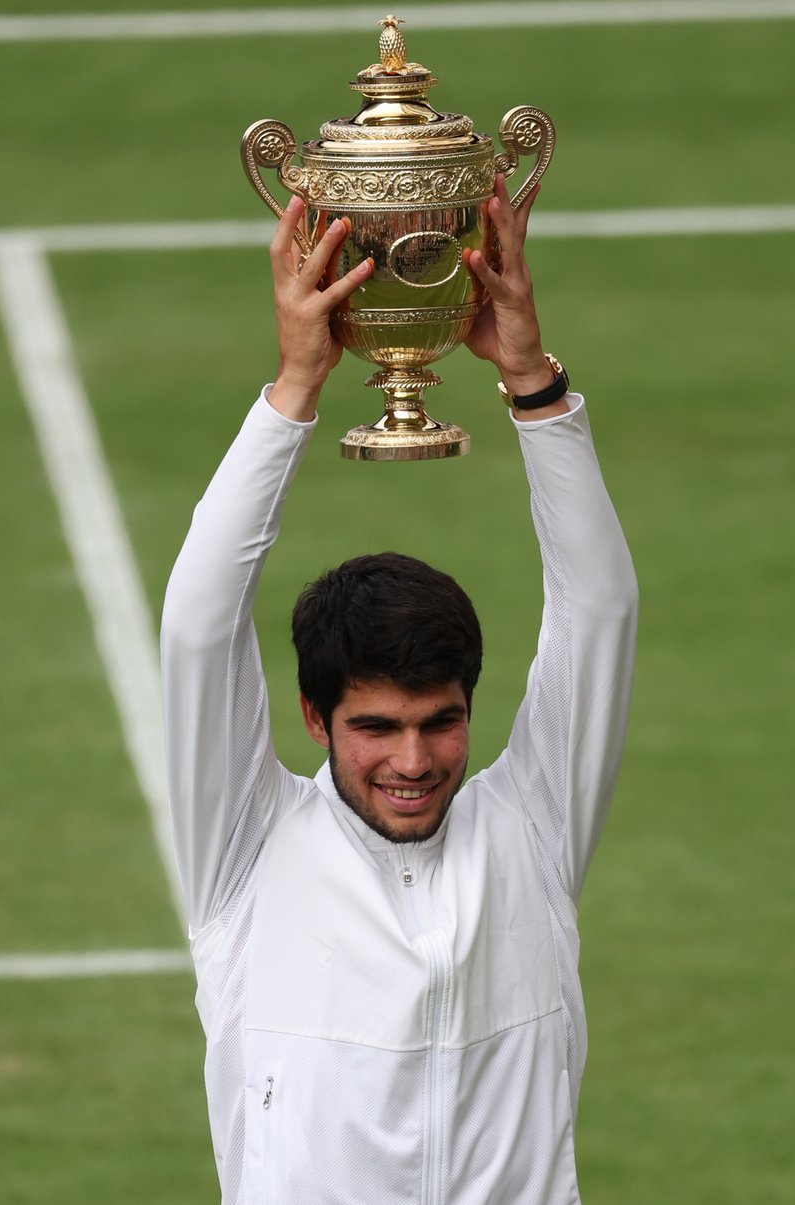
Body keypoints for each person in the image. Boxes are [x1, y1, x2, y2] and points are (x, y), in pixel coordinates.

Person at [161, 176, 638, 1204]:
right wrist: (295, 388)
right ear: (313, 718)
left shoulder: (533, 827)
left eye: (440, 722)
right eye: (375, 727)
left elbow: (599, 610)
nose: (414, 762)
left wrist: (532, 384)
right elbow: (200, 620)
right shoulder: (243, 853)